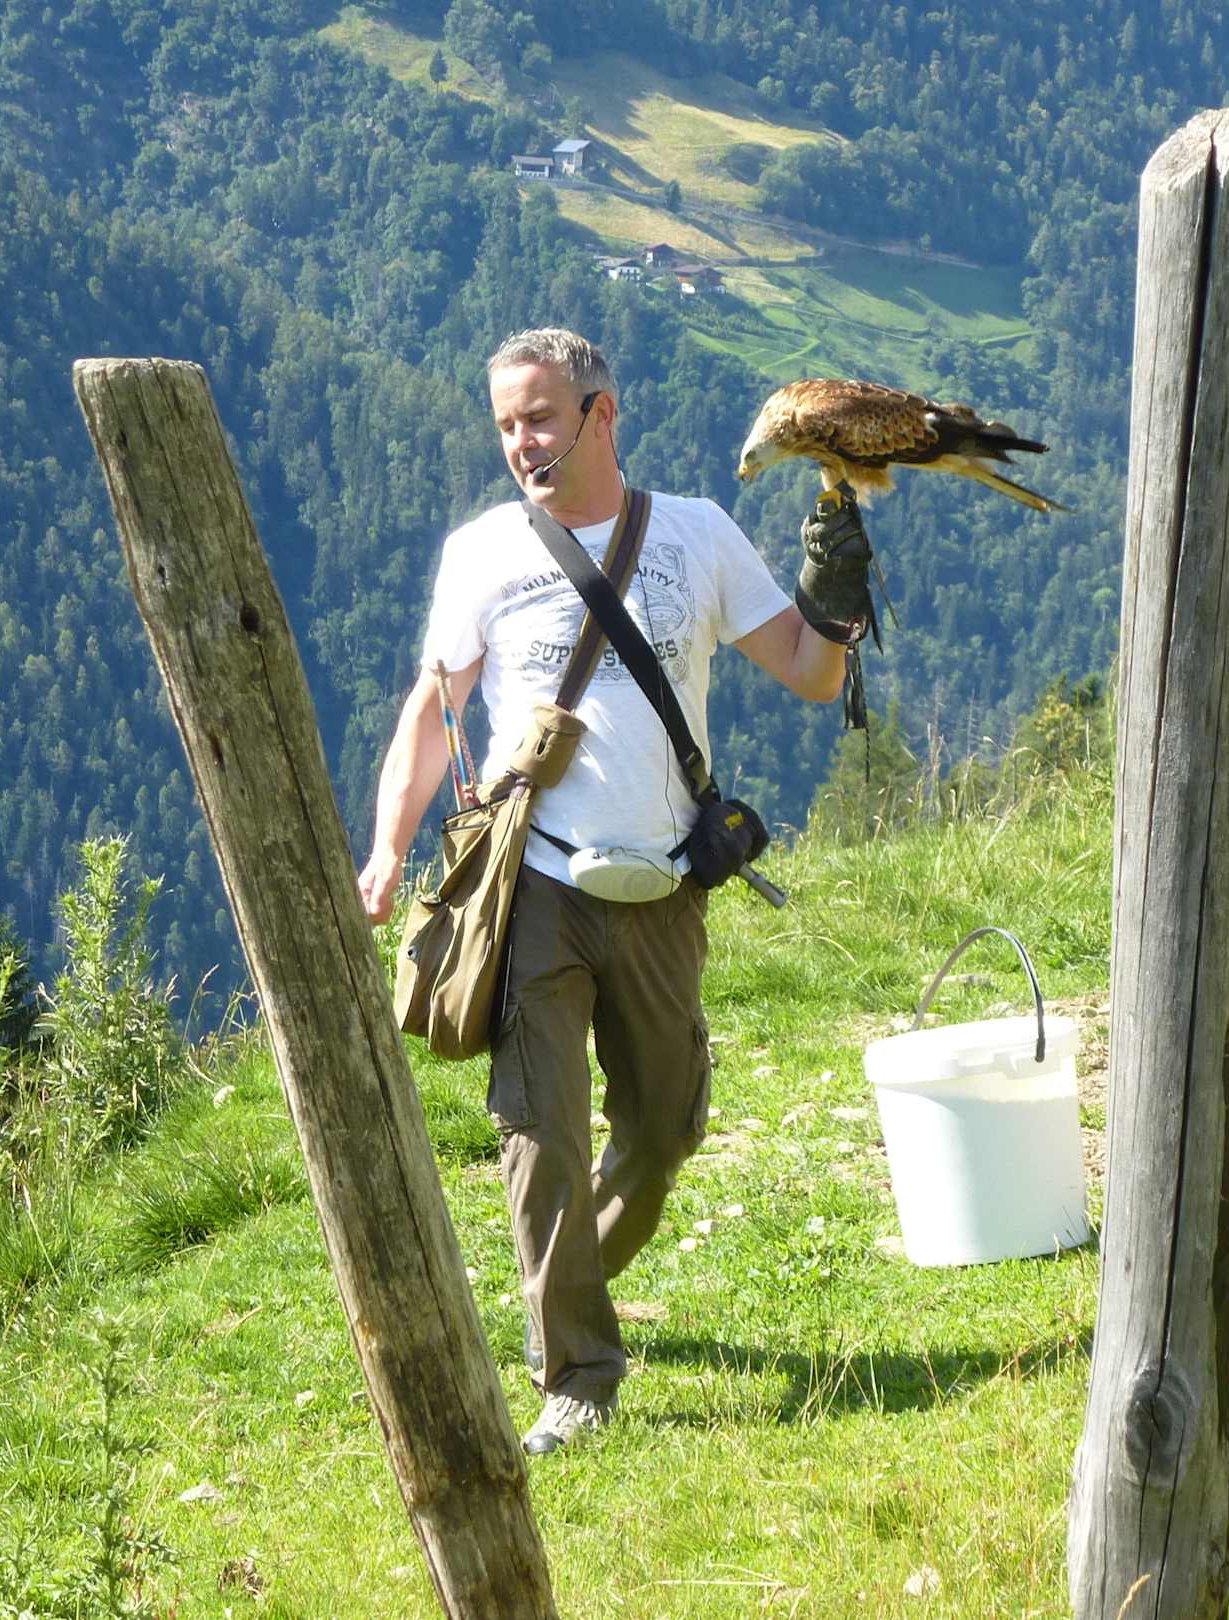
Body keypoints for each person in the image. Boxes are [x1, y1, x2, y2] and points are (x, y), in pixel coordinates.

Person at [356, 327, 873, 1456]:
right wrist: (388, 850)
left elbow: (808, 671)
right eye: (505, 424)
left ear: (602, 414)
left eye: (539, 417)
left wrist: (836, 595)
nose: (520, 442)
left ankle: (566, 1287)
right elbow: (432, 713)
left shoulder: (696, 532)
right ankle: (578, 1373)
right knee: (537, 1129)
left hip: (666, 881)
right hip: (533, 881)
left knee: (660, 1128)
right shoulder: (482, 552)